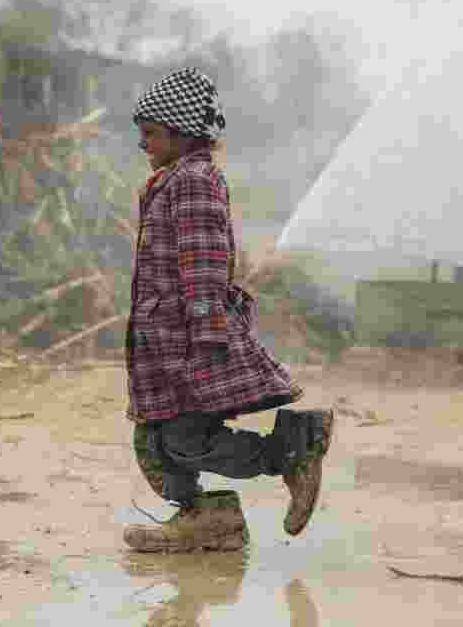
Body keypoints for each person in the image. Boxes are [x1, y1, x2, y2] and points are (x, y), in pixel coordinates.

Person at [122, 67, 335, 553]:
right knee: (153, 445)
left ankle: (289, 451)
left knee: (183, 442)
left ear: (182, 133)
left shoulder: (193, 182)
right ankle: (210, 521)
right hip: (163, 342)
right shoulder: (173, 179)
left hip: (187, 341)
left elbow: (204, 263)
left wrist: (207, 333)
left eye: (151, 133)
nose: (143, 144)